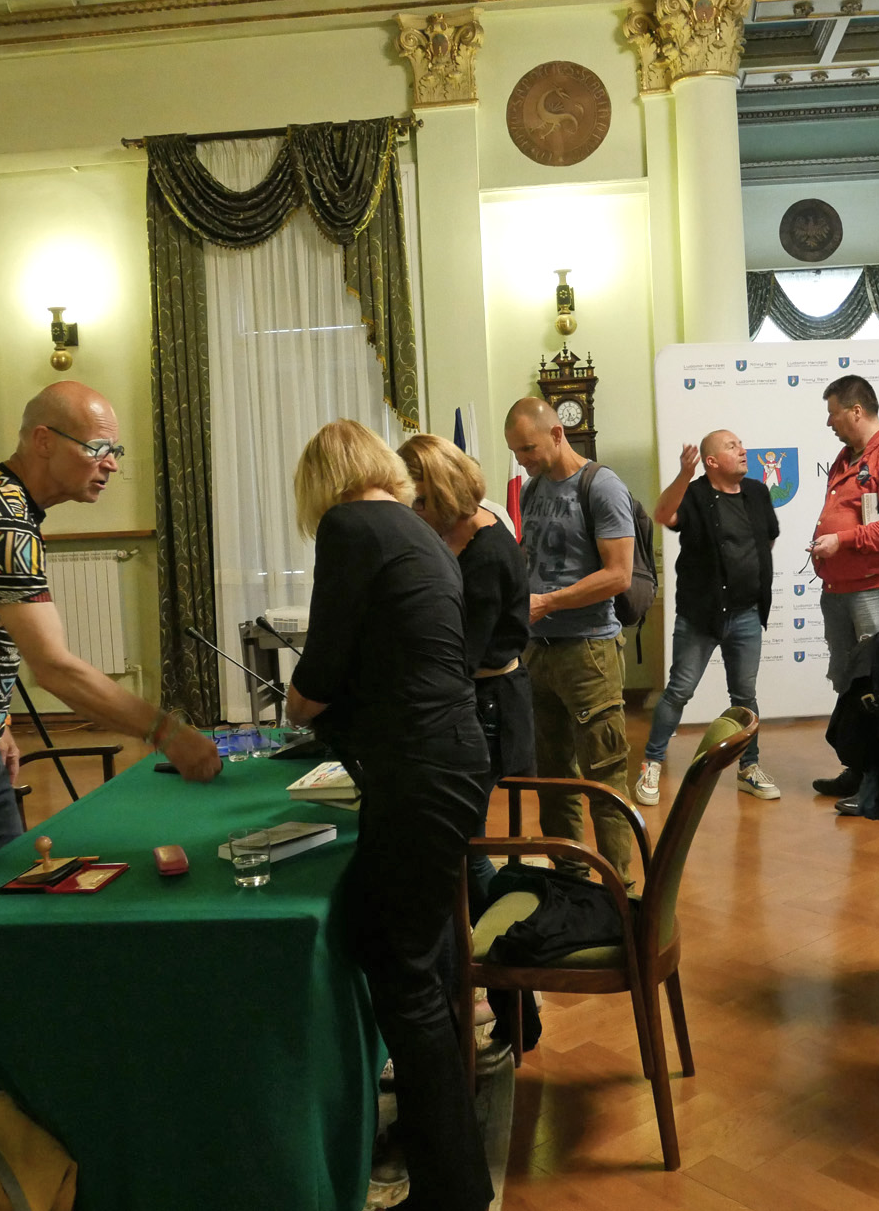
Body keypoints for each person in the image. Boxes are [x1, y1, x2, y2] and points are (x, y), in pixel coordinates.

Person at [0, 380, 222, 1153]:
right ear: (43, 440)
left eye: (116, 450)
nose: (111, 464)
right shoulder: (0, 521)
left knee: (3, 929)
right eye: (98, 448)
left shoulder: (12, 510)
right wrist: (166, 731)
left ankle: (4, 1104)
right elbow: (53, 666)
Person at [285, 420, 492, 1211]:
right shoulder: (416, 528)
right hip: (449, 759)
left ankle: (452, 1188)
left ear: (322, 481)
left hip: (420, 768)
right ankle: (447, 1166)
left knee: (402, 975)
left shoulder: (349, 525)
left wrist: (301, 704)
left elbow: (320, 674)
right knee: (409, 955)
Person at [503, 397, 638, 889]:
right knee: (553, 777)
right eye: (516, 451)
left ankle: (620, 895)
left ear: (558, 433)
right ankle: (571, 887)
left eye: (528, 448)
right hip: (537, 652)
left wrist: (548, 602)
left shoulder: (602, 486)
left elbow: (619, 575)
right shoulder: (532, 489)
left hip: (588, 653)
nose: (522, 459)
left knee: (605, 779)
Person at [399, 432, 536, 908]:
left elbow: (462, 655)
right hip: (475, 699)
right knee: (458, 840)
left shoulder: (487, 552)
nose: (414, 513)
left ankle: (505, 936)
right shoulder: (456, 535)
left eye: (420, 502)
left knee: (465, 846)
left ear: (443, 494)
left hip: (489, 707)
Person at [632, 430, 782, 805]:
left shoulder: (757, 492)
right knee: (679, 691)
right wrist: (684, 474)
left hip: (747, 614)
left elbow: (768, 537)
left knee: (745, 696)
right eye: (733, 447)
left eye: (740, 444)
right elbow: (663, 515)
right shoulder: (695, 493)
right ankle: (652, 762)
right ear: (711, 461)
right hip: (700, 615)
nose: (743, 450)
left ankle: (748, 768)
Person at [807, 374, 879, 818]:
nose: (829, 422)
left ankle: (878, 784)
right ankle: (857, 768)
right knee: (852, 686)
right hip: (840, 590)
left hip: (877, 589)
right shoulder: (847, 455)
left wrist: (842, 541)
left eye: (833, 413)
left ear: (856, 411)